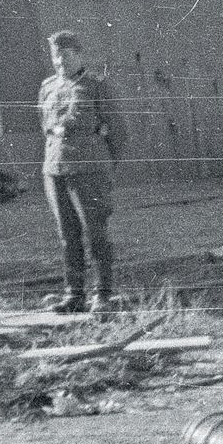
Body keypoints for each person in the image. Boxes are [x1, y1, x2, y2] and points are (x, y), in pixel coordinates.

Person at [38, 30, 129, 315]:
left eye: (65, 56)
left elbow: (119, 132)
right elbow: (45, 125)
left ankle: (102, 295)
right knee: (67, 234)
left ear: (79, 55)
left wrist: (103, 165)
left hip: (90, 171)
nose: (60, 62)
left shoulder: (95, 85)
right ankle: (74, 295)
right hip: (55, 169)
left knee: (95, 232)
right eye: (55, 56)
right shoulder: (48, 87)